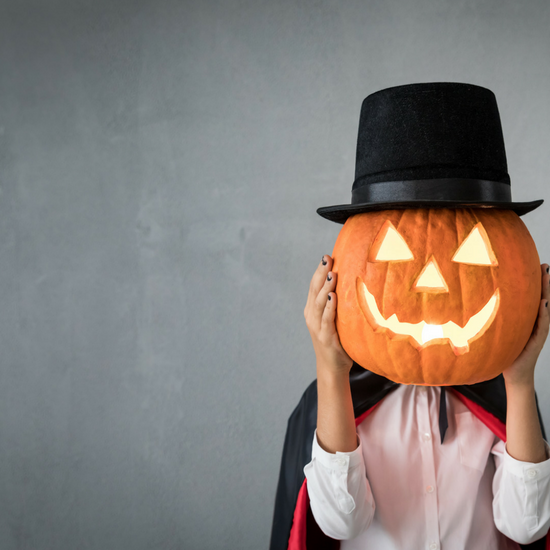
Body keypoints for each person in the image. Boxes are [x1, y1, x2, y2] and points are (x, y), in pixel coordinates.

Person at [302, 253, 550, 549]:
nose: (431, 284)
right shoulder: (341, 399)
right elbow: (341, 522)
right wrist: (330, 368)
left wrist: (520, 379)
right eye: (394, 254)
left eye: (472, 256)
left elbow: (526, 525)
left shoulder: (503, 395)